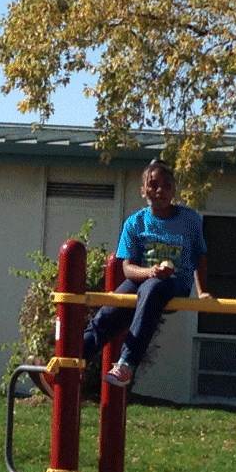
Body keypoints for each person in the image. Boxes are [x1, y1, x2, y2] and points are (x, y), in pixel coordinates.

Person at [83, 159, 211, 388]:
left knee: (152, 288)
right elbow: (127, 268)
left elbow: (200, 256)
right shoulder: (135, 223)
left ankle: (126, 364)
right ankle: (71, 359)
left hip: (174, 283)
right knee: (112, 309)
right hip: (142, 279)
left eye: (167, 185)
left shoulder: (190, 220)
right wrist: (150, 271)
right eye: (153, 185)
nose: (160, 190)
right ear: (143, 191)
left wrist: (203, 292)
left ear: (174, 191)